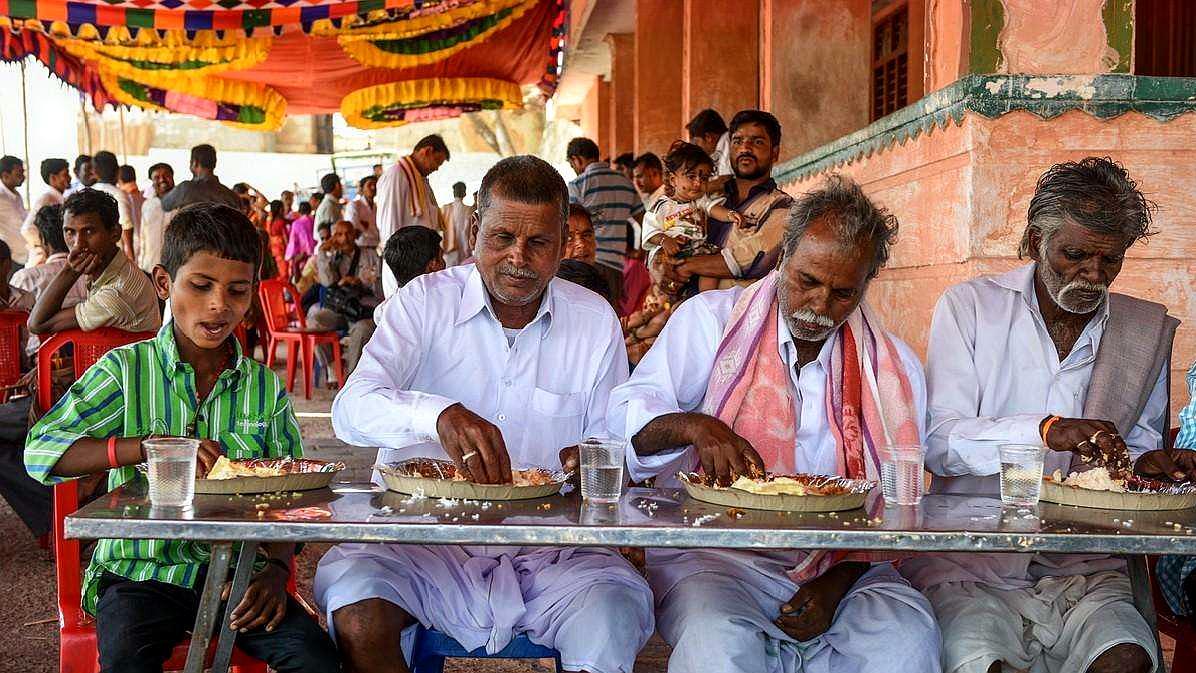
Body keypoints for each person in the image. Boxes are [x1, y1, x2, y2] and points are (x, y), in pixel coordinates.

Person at [314, 155, 654, 673]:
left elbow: (610, 440)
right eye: (501, 239)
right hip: (419, 540)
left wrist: (594, 462)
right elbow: (351, 410)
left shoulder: (593, 319)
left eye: (539, 243)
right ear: (474, 230)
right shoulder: (422, 303)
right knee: (358, 608)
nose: (518, 259)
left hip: (555, 552)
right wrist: (437, 415)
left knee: (610, 617)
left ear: (564, 243)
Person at [608, 175, 941, 673]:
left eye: (843, 292)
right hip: (717, 556)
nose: (820, 306)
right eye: (807, 281)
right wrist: (695, 426)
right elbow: (627, 423)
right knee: (715, 645)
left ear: (866, 285)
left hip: (850, 565)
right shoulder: (710, 322)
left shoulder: (891, 368)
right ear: (783, 256)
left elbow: (897, 502)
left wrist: (839, 578)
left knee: (906, 642)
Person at [901, 157, 1195, 673]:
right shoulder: (970, 307)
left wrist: (1149, 466)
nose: (1093, 275)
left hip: (1084, 567)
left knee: (1126, 660)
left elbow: (1134, 451)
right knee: (981, 662)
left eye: (1111, 260)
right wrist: (1045, 431)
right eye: (1076, 255)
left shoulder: (1142, 331)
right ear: (1037, 239)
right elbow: (939, 442)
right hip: (971, 563)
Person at [23, 202, 341, 673]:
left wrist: (276, 571)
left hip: (241, 574)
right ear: (163, 283)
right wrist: (145, 448)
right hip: (140, 572)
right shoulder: (125, 372)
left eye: (237, 290)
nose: (219, 304)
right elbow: (40, 451)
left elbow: (290, 495)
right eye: (201, 286)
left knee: (317, 660)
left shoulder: (263, 388)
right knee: (127, 660)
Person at [658, 110, 793, 293]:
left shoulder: (782, 206)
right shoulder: (709, 200)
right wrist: (666, 266)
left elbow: (753, 259)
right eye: (737, 141)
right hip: (689, 309)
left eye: (757, 142)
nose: (745, 148)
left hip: (741, 315)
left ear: (774, 153)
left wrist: (686, 265)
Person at [27, 189, 161, 336]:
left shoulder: (116, 294)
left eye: (89, 231)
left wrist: (70, 270)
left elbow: (37, 324)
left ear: (115, 233)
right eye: (70, 232)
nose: (78, 245)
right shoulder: (110, 269)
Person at [643, 140, 744, 294]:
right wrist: (665, 240)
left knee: (711, 265)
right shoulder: (662, 205)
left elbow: (714, 209)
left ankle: (704, 300)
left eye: (704, 178)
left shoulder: (700, 201)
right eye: (691, 176)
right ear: (673, 180)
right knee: (664, 282)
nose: (698, 183)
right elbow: (650, 230)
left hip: (697, 250)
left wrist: (730, 215)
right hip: (672, 251)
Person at [566, 137, 644, 310]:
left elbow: (570, 222)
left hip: (585, 261)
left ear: (576, 160)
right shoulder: (625, 182)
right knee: (609, 314)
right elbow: (642, 218)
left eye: (573, 165)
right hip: (615, 264)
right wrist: (641, 250)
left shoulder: (579, 184)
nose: (574, 169)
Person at [376, 135, 450, 297]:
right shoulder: (397, 175)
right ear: (427, 151)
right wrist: (400, 269)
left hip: (422, 263)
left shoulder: (420, 180)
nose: (437, 168)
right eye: (437, 161)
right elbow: (389, 227)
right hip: (405, 267)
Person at [307, 220, 379, 377]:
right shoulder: (333, 256)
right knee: (314, 320)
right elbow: (327, 281)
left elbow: (379, 289)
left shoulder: (370, 255)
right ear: (333, 237)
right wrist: (321, 252)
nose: (345, 238)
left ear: (355, 235)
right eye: (339, 235)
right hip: (340, 309)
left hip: (362, 310)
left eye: (348, 233)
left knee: (362, 330)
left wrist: (360, 282)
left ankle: (352, 379)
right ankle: (333, 367)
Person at [160, 144, 241, 213]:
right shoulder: (232, 197)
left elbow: (165, 205)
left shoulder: (185, 189)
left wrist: (164, 186)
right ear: (214, 164)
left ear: (195, 163)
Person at [88, 151, 137, 262]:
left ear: (95, 172)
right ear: (117, 170)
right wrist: (130, 255)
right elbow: (126, 225)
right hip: (114, 256)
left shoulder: (88, 192)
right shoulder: (118, 194)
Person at [21, 158, 70, 266]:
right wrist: (46, 245)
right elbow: (27, 229)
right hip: (44, 257)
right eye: (65, 174)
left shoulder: (61, 198)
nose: (69, 178)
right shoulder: (46, 198)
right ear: (53, 178)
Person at [345, 175, 381, 293]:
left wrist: (365, 228)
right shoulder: (354, 205)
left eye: (375, 184)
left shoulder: (377, 207)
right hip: (360, 250)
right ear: (361, 188)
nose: (373, 187)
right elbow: (353, 230)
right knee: (362, 283)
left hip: (375, 249)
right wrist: (365, 230)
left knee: (376, 281)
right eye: (369, 184)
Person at [138, 163, 175, 273]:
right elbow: (143, 237)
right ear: (152, 182)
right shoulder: (147, 205)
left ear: (172, 177)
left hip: (173, 266)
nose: (162, 180)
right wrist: (141, 264)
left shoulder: (181, 204)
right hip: (150, 266)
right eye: (156, 177)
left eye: (166, 176)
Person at [686, 108, 732, 176]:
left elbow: (725, 179)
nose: (696, 149)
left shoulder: (728, 146)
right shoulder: (721, 146)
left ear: (708, 137)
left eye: (696, 143)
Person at [0, 156, 28, 264]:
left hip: (24, 254)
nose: (23, 177)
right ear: (5, 176)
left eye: (23, 173)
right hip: (11, 256)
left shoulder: (16, 195)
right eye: (18, 174)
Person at [440, 181, 473, 266]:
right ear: (465, 193)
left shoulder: (444, 209)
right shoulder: (469, 210)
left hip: (450, 251)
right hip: (464, 251)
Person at [285, 201, 316, 284]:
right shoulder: (314, 221)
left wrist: (290, 257)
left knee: (301, 280)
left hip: (301, 255)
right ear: (310, 210)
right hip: (314, 254)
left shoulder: (296, 223)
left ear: (299, 211)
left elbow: (293, 242)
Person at [117, 164, 145, 244]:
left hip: (130, 244)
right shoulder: (145, 197)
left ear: (119, 180)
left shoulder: (122, 198)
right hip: (145, 242)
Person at [266, 200, 291, 279]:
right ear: (280, 209)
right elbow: (285, 238)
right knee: (284, 272)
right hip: (281, 249)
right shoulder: (281, 222)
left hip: (273, 249)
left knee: (279, 270)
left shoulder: (269, 221)